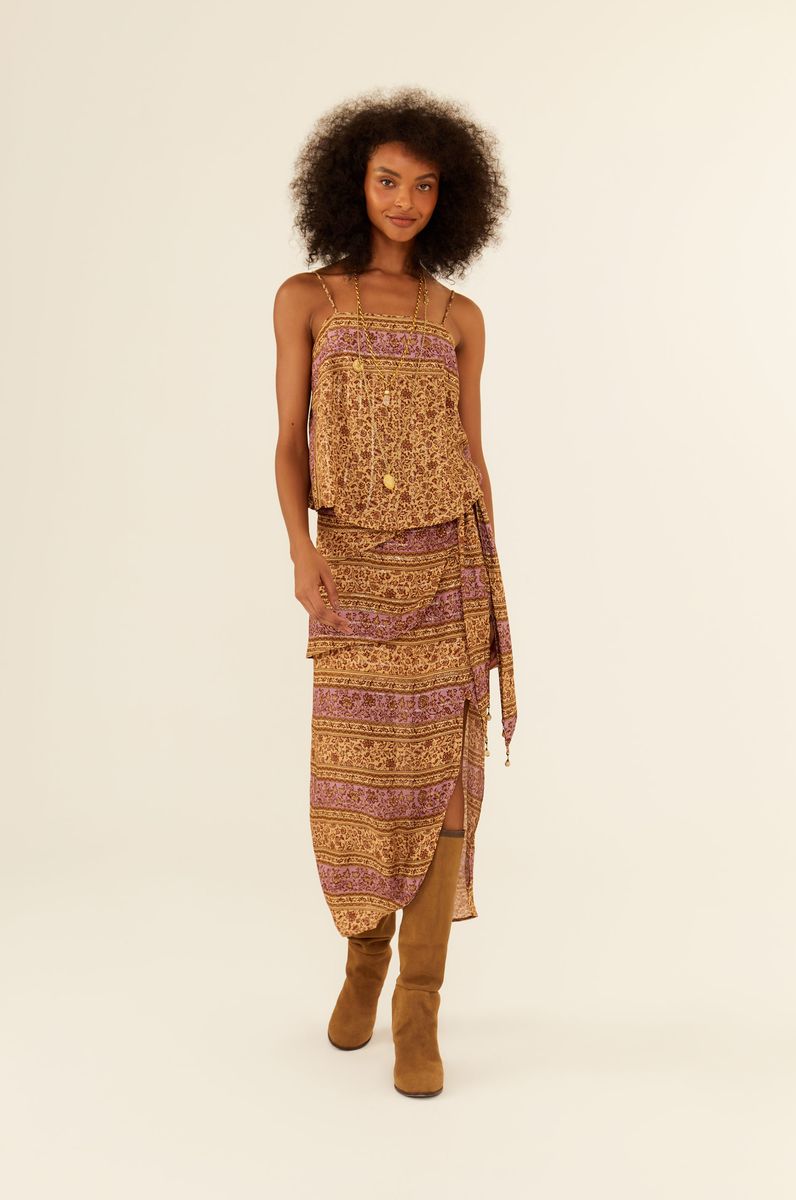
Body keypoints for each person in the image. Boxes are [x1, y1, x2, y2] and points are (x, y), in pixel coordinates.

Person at [273, 86, 518, 1098]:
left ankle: (418, 1007)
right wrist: (301, 551)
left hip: (446, 574)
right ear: (352, 184)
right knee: (359, 786)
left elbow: (472, 452)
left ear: (449, 199)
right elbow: (288, 444)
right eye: (387, 180)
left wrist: (491, 579)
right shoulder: (308, 300)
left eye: (424, 186)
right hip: (352, 576)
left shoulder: (458, 318)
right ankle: (362, 964)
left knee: (443, 785)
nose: (405, 201)